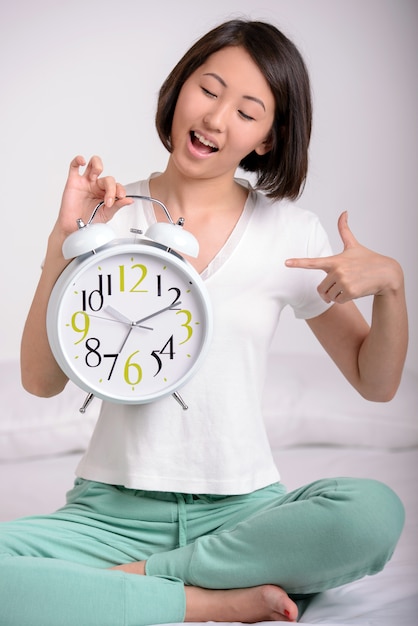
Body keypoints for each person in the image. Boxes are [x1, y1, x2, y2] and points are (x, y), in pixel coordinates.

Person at [1, 19, 408, 626]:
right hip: (109, 515)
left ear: (268, 139)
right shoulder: (106, 216)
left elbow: (374, 383)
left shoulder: (290, 234)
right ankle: (210, 600)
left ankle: (140, 586)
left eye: (248, 111)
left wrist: (393, 286)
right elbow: (40, 382)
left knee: (374, 512)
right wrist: (67, 237)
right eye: (209, 90)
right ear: (179, 90)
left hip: (245, 516)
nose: (217, 119)